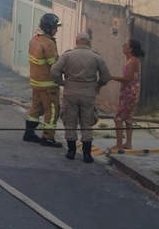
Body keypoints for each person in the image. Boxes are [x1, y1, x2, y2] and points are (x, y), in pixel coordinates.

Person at [50, 32, 111, 163]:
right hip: (88, 94)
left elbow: (54, 71)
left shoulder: (67, 55)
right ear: (88, 42)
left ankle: (71, 151)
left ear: (76, 42)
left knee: (70, 122)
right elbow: (106, 75)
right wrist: (99, 84)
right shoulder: (96, 57)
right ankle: (87, 154)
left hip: (70, 92)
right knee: (86, 123)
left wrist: (62, 83)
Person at [23, 13, 63, 147]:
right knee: (52, 111)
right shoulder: (48, 43)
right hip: (48, 85)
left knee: (35, 108)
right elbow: (55, 66)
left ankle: (29, 134)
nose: (56, 30)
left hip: (36, 82)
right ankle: (48, 138)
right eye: (55, 27)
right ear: (48, 28)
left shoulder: (35, 40)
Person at [109, 39, 145, 151]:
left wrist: (112, 77)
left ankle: (119, 144)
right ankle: (128, 143)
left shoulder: (133, 61)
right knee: (128, 118)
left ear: (130, 49)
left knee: (118, 118)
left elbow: (128, 78)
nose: (123, 46)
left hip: (129, 94)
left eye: (126, 45)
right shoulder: (132, 61)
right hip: (130, 93)